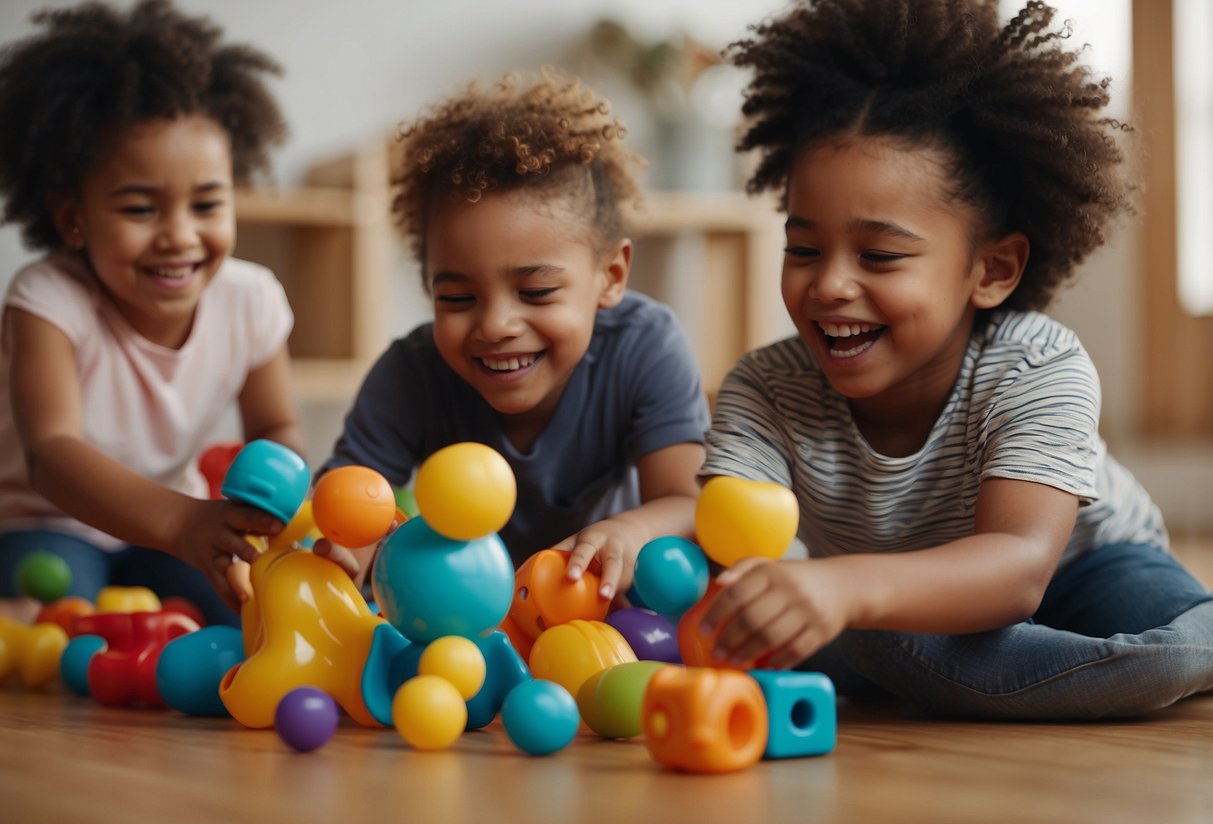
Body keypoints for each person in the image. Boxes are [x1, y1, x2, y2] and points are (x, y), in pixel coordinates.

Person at [696, 0, 1213, 718]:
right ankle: (909, 661)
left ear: (991, 270)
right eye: (803, 249)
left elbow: (1018, 567)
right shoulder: (763, 386)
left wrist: (843, 591)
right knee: (827, 635)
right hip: (887, 607)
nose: (829, 284)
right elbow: (721, 537)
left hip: (1084, 571)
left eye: (878, 255)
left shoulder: (1037, 364)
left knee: (1178, 648)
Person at [319, 70, 709, 600]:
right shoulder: (411, 372)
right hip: (458, 619)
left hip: (596, 610)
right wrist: (349, 554)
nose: (496, 325)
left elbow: (687, 504)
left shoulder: (645, 345)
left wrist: (631, 531)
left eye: (537, 291)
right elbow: (346, 509)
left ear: (611, 276)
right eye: (457, 299)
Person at [0, 0, 302, 627]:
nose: (179, 237)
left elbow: (275, 424)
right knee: (66, 621)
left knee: (245, 613)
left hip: (174, 523)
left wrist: (271, 507)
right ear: (71, 218)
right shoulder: (48, 299)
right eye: (141, 209)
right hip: (50, 522)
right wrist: (183, 520)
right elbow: (52, 454)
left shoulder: (251, 300)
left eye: (207, 204)